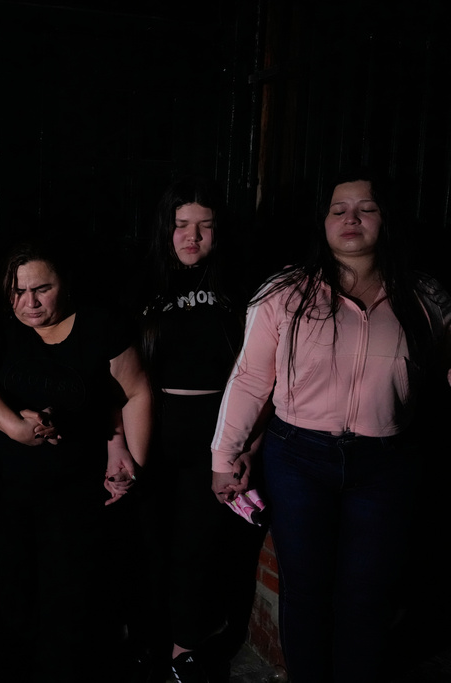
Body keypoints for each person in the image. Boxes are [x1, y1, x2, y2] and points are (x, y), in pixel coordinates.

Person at [211, 171, 451, 682]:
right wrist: (224, 456)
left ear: (386, 219)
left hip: (386, 464)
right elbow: (251, 379)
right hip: (298, 458)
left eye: (366, 208)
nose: (351, 219)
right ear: (323, 222)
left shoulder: (424, 296)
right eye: (339, 209)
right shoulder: (285, 292)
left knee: (368, 595)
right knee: (305, 591)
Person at [0, 240, 153, 681]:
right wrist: (16, 424)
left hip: (76, 489)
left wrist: (130, 464)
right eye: (18, 291)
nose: (29, 303)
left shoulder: (99, 325)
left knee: (69, 598)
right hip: (9, 488)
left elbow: (134, 393)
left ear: (64, 285)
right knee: (11, 594)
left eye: (41, 289)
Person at [134, 177, 265, 683]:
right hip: (155, 427)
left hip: (217, 434)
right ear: (166, 229)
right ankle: (148, 639)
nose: (192, 237)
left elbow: (263, 374)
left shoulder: (241, 285)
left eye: (204, 227)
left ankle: (184, 648)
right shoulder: (143, 283)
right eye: (181, 225)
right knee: (150, 543)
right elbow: (118, 371)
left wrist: (248, 445)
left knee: (198, 547)